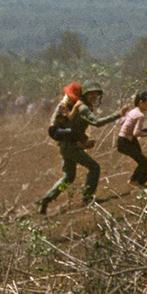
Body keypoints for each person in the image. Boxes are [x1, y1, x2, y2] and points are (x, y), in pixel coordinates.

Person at [38, 83, 121, 214]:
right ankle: (87, 198)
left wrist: (84, 142)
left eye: (96, 94)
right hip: (70, 146)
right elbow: (97, 122)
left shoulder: (78, 107)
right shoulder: (82, 108)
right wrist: (118, 114)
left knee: (69, 177)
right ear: (85, 95)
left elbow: (75, 128)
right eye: (91, 94)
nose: (94, 96)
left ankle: (47, 198)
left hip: (66, 145)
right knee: (94, 168)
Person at [116, 91, 147, 189]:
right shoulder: (140, 115)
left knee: (142, 160)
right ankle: (134, 180)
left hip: (125, 139)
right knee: (143, 161)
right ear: (141, 102)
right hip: (126, 142)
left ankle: (140, 181)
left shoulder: (133, 111)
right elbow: (136, 133)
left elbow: (122, 123)